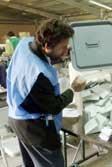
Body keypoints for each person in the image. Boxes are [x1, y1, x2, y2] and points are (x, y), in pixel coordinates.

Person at [7, 19, 86, 167]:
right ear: (47, 46)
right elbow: (54, 106)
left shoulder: (25, 43)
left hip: (16, 115)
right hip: (35, 129)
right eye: (62, 48)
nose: (65, 51)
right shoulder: (39, 75)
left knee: (31, 162)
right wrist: (73, 89)